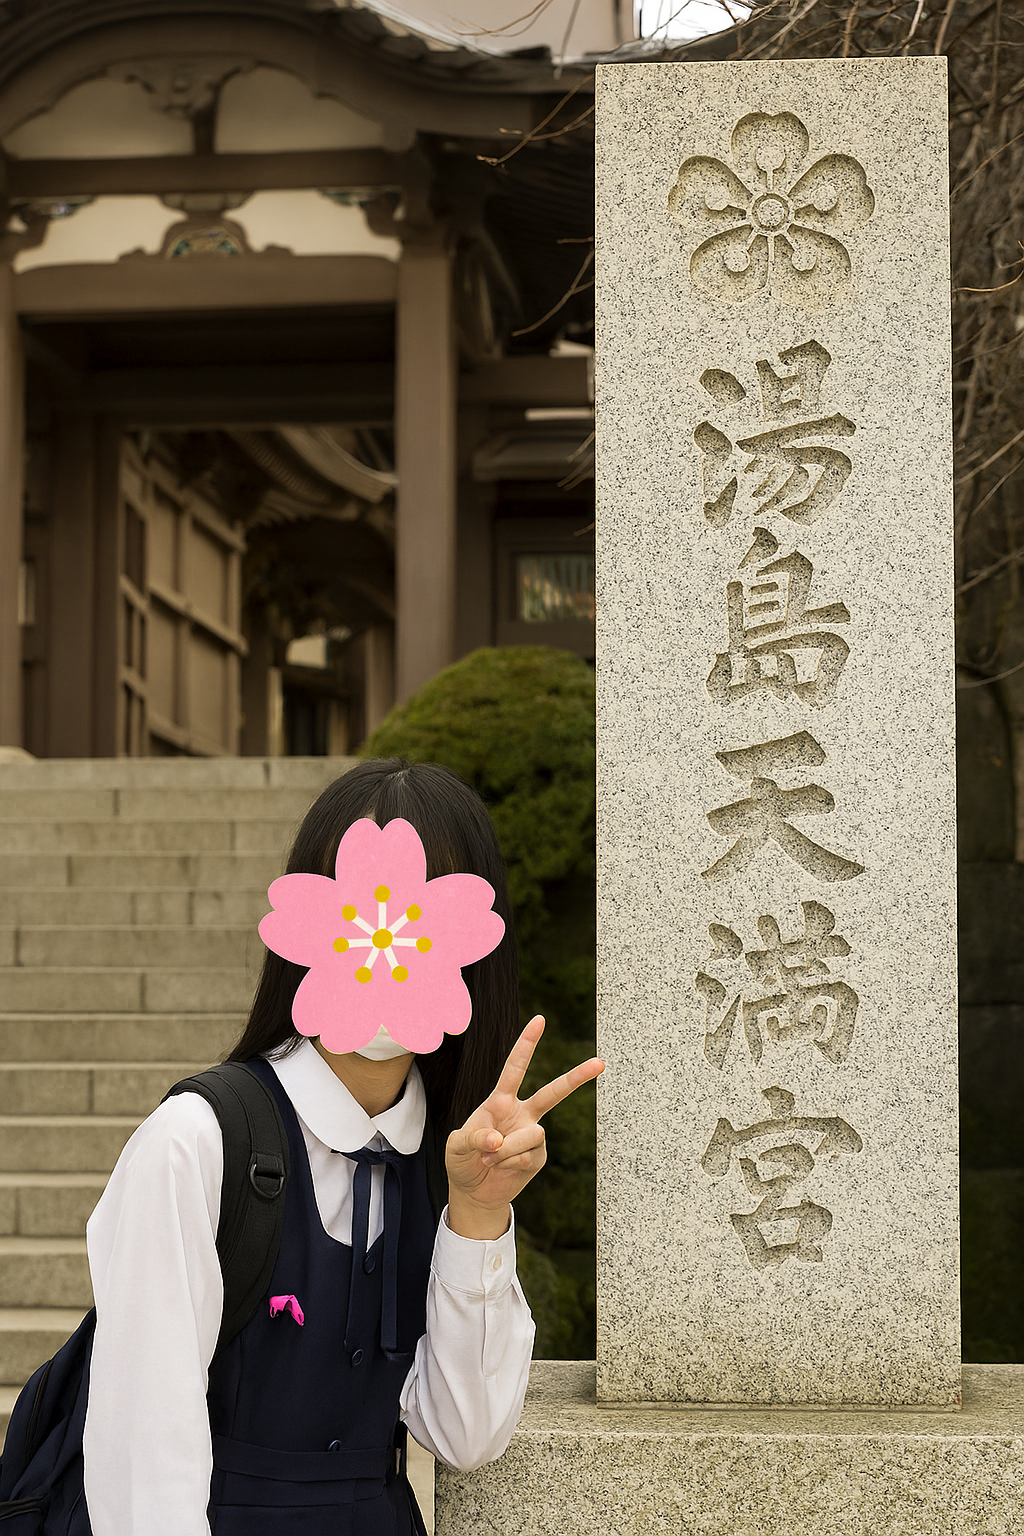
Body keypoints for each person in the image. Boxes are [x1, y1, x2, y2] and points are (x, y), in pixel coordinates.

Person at [81, 758, 604, 1536]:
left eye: (426, 921)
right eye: (359, 915)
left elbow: (466, 1434)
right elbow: (142, 1460)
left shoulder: (450, 1162)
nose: (388, 947)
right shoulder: (195, 1143)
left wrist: (478, 1216)